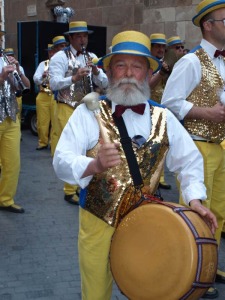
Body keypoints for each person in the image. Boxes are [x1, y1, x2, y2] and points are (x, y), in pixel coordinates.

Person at [53, 30, 218, 300]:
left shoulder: (164, 117)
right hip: (98, 218)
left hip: (150, 219)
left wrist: (195, 199)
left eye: (137, 66)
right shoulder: (87, 113)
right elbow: (61, 160)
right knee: (95, 291)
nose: (129, 73)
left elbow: (190, 161)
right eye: (121, 65)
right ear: (109, 70)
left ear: (147, 72)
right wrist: (93, 165)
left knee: (151, 285)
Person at [161, 0, 225, 298]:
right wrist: (205, 112)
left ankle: (209, 264)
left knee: (219, 213)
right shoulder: (191, 62)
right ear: (208, 25)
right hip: (198, 147)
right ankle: (193, 269)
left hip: (221, 145)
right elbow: (169, 103)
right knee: (196, 211)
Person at [49, 21, 108, 205]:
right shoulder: (60, 57)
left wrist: (96, 71)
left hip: (88, 108)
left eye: (85, 36)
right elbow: (53, 84)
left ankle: (86, 179)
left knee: (90, 146)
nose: (83, 40)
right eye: (79, 36)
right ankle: (69, 190)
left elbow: (105, 84)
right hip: (67, 106)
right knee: (71, 147)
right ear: (71, 38)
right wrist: (74, 77)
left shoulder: (92, 56)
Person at [0, 30, 30, 213]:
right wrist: (2, 77)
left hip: (11, 115)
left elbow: (26, 85)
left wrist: (17, 71)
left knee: (13, 163)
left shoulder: (6, 58)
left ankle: (5, 199)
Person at [149, 33, 171, 190]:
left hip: (163, 109)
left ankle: (160, 177)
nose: (161, 49)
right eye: (157, 46)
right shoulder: (147, 64)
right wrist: (161, 74)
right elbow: (148, 85)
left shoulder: (167, 63)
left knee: (162, 143)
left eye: (163, 46)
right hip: (147, 108)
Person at [33, 44, 55, 150]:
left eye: (53, 51)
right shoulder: (43, 64)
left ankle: (53, 143)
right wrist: (42, 76)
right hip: (44, 95)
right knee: (42, 121)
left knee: (56, 121)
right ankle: (43, 142)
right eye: (50, 52)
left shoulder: (63, 63)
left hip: (56, 95)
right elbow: (35, 78)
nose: (51, 53)